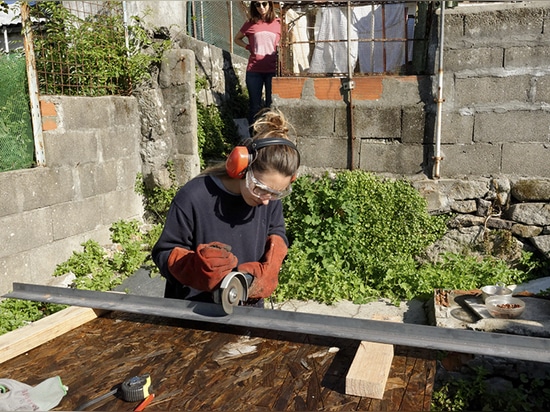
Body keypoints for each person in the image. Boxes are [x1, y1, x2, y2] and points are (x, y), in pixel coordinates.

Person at [152, 109, 300, 307]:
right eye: (260, 189)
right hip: (194, 310)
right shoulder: (194, 196)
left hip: (247, 308)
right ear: (241, 168)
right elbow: (163, 252)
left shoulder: (269, 197)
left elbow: (276, 231)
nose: (266, 200)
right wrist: (195, 267)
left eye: (276, 193)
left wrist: (272, 264)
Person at [234, 1, 281, 126]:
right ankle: (253, 136)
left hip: (273, 70)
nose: (261, 7)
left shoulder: (278, 23)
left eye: (264, 4)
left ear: (270, 5)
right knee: (255, 106)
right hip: (254, 71)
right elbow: (236, 39)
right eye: (257, 4)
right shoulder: (250, 24)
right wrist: (247, 47)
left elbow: (286, 40)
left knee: (272, 105)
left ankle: (271, 135)